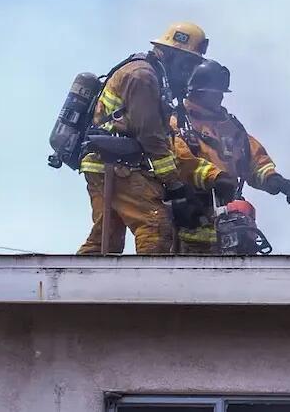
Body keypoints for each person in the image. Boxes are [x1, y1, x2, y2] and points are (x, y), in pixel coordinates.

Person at [77, 22, 225, 254]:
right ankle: (150, 288)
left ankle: (81, 287)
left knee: (106, 238)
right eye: (187, 64)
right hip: (119, 167)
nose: (187, 73)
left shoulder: (148, 73)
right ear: (170, 54)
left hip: (105, 164)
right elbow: (150, 136)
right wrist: (175, 185)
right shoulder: (143, 77)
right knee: (155, 226)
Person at [170, 59, 290, 253]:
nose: (219, 98)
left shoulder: (231, 127)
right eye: (214, 93)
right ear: (197, 92)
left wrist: (272, 178)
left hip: (228, 215)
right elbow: (181, 160)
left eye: (221, 93)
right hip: (190, 211)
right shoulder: (178, 123)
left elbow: (252, 159)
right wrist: (216, 177)